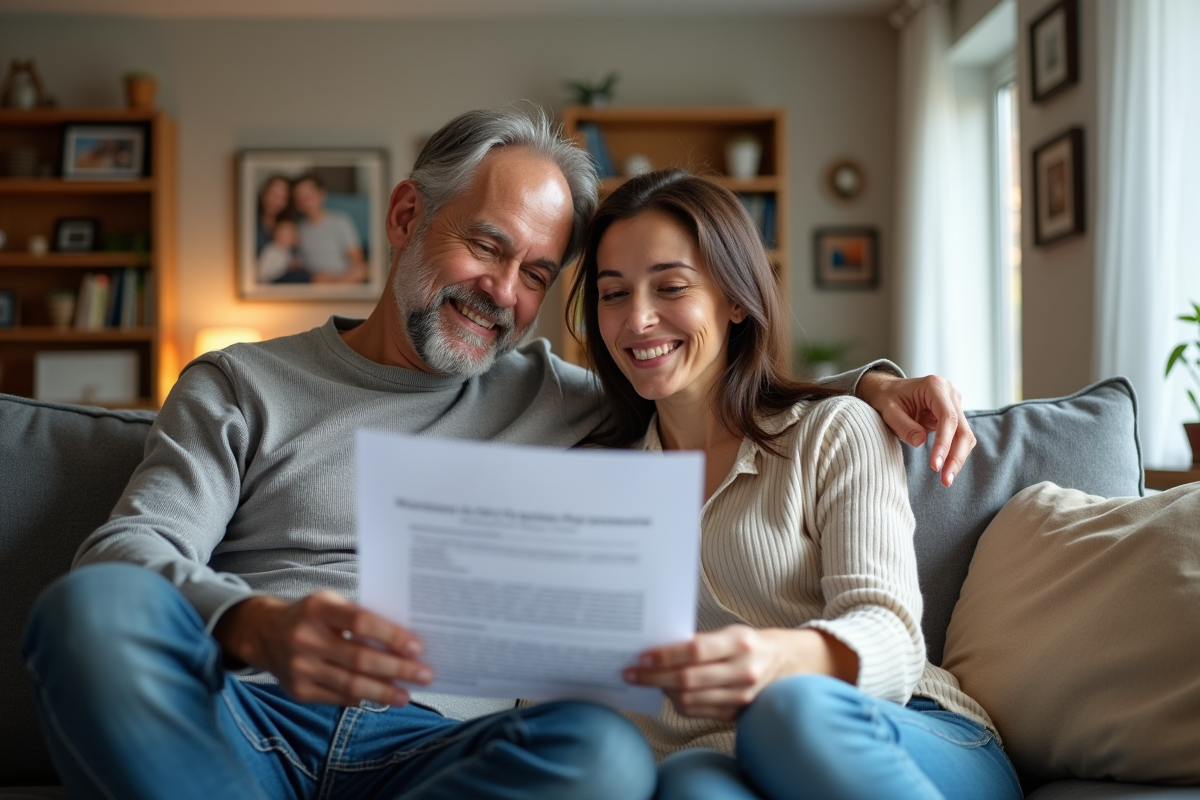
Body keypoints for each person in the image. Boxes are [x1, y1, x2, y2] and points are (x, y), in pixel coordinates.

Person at [21, 108, 974, 800]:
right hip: (249, 720)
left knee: (603, 753)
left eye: (536, 274)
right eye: (486, 246)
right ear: (406, 216)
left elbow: (704, 376)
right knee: (88, 609)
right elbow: (125, 554)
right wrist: (258, 626)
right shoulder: (240, 384)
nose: (503, 294)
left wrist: (871, 387)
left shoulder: (557, 395)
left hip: (441, 754)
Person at [565, 169, 1018, 800]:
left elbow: (892, 636)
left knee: (785, 710)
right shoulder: (596, 481)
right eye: (613, 294)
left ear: (736, 300)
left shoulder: (834, 431)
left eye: (670, 286)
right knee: (688, 788)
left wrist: (777, 661)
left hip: (898, 727)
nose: (637, 319)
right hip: (716, 755)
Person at [291, 173, 369, 284]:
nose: (305, 200)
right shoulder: (296, 229)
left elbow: (359, 264)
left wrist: (333, 281)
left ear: (321, 194)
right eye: (300, 197)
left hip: (343, 282)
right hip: (312, 285)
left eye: (309, 195)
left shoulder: (340, 221)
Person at [256, 213, 308, 284]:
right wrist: (287, 266)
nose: (288, 237)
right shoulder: (271, 250)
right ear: (275, 235)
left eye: (291, 233)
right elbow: (262, 273)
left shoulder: (290, 251)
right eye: (284, 233)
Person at [255, 173, 292, 256]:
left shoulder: (290, 224)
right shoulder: (248, 222)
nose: (275, 201)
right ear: (263, 193)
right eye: (272, 193)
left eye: (282, 197)